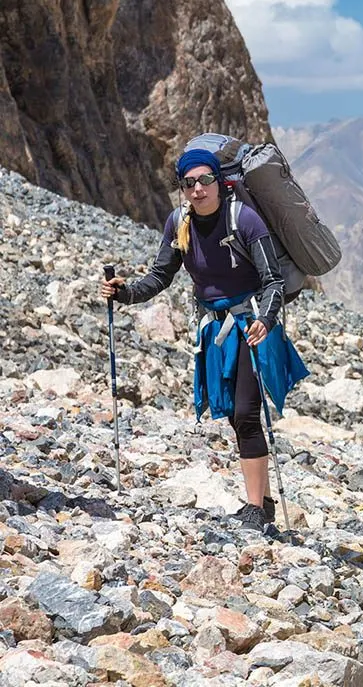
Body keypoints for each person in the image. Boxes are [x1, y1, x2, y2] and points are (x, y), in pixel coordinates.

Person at [99, 148, 307, 531]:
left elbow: (272, 280)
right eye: (189, 183)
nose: (198, 189)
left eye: (205, 180)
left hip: (252, 325)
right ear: (182, 187)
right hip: (216, 330)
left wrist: (266, 318)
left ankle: (255, 509)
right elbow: (161, 275)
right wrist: (126, 292)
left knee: (245, 411)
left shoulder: (243, 219)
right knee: (232, 412)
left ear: (219, 181)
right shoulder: (179, 223)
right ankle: (261, 500)